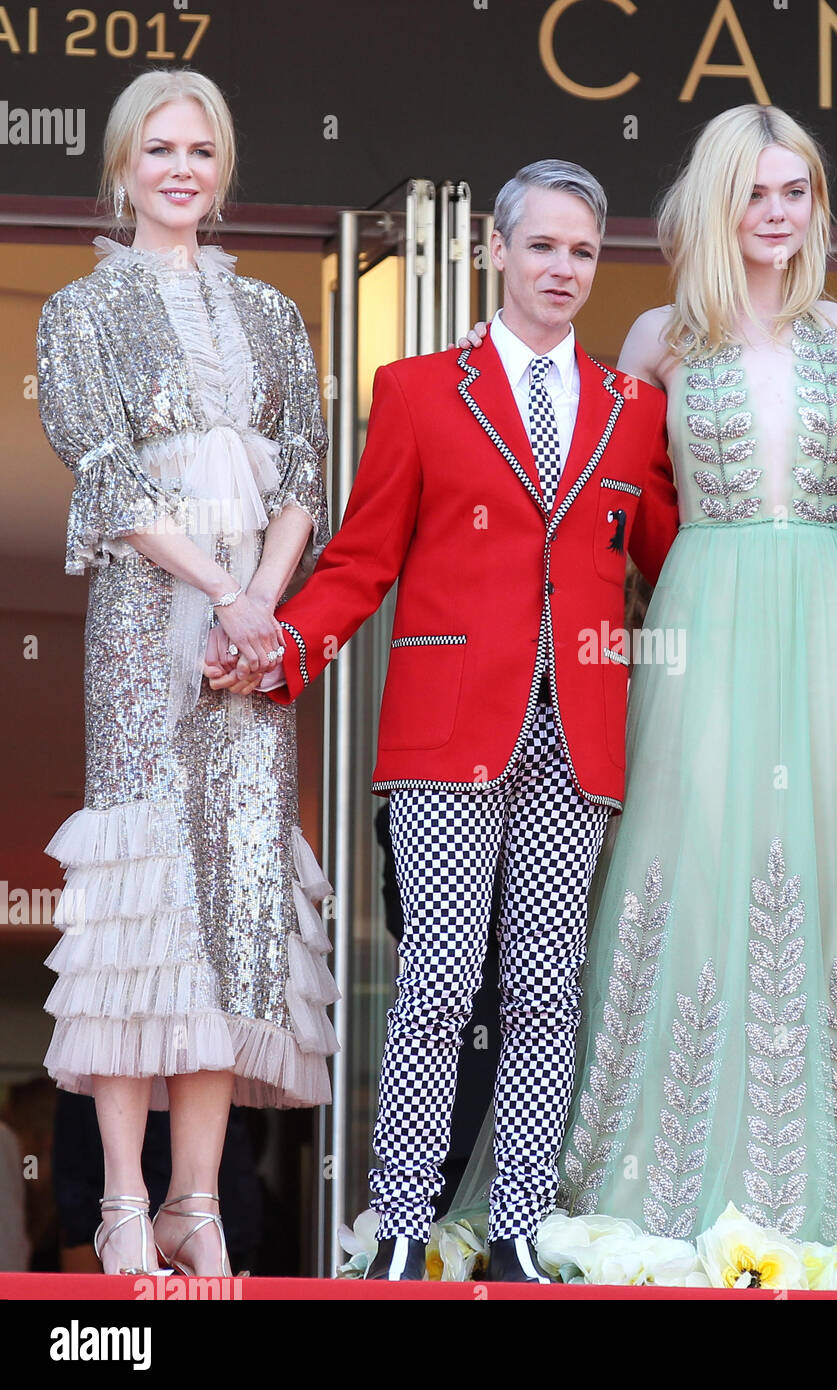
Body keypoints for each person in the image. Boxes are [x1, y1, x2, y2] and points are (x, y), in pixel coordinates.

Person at [452, 105, 837, 1261]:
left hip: (831, 629)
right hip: (699, 623)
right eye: (757, 193)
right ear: (717, 203)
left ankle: (830, 1214)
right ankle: (645, 1202)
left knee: (828, 880)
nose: (778, 214)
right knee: (681, 871)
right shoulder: (655, 337)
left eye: (797, 194)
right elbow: (593, 506)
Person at [35, 68, 337, 1278]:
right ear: (121, 167)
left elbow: (306, 469)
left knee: (234, 900)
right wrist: (221, 593)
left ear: (222, 170)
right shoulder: (78, 310)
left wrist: (260, 602)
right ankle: (119, 1200)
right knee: (139, 893)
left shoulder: (273, 310)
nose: (179, 169)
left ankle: (198, 1202)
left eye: (199, 151)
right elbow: (103, 475)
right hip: (145, 620)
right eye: (157, 149)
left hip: (249, 640)